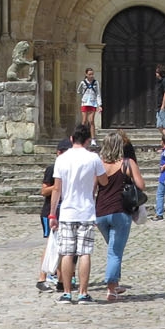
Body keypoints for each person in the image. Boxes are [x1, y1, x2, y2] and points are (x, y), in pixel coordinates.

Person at [49, 125, 110, 303]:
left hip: (67, 211)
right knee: (84, 253)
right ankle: (83, 292)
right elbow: (104, 181)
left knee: (67, 252)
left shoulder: (61, 159)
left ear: (71, 139)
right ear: (87, 140)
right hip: (86, 211)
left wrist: (53, 214)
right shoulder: (93, 158)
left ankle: (67, 292)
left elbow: (57, 189)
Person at [95, 131, 145, 301]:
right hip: (119, 212)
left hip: (100, 212)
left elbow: (94, 188)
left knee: (113, 248)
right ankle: (110, 288)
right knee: (115, 251)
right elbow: (141, 185)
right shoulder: (127, 164)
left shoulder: (99, 165)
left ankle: (115, 284)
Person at [36, 137, 71, 291]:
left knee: (61, 245)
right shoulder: (52, 168)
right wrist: (58, 186)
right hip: (49, 211)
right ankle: (42, 277)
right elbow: (44, 190)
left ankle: (60, 279)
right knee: (51, 244)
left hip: (62, 210)